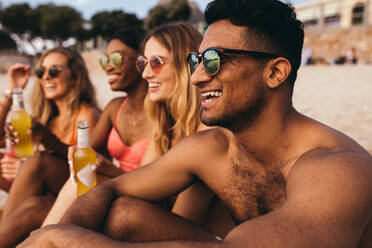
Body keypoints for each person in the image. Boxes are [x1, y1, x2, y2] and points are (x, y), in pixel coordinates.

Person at [19, 0, 372, 247]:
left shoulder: (339, 169)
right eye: (196, 60)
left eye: (215, 60)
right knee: (121, 214)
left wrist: (68, 241)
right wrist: (62, 234)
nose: (198, 76)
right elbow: (109, 189)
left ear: (276, 72)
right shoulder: (211, 149)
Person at [44, 22, 233, 237]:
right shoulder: (166, 124)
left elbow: (182, 218)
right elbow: (145, 186)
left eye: (157, 62)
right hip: (171, 225)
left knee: (121, 213)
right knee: (87, 183)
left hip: (209, 239)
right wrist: (106, 169)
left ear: (185, 65)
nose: (146, 74)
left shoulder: (207, 131)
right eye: (144, 63)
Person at [41, 27, 153, 226]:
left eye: (117, 59)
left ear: (142, 60)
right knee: (36, 204)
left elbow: (154, 185)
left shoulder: (161, 114)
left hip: (143, 202)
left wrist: (108, 169)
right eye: (105, 60)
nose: (108, 67)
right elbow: (86, 156)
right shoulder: (114, 108)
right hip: (117, 191)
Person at [0, 47, 100, 247]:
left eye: (54, 71)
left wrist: (32, 163)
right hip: (45, 197)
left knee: (39, 164)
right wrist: (11, 92)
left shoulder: (87, 114)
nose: (46, 77)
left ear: (75, 76)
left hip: (82, 196)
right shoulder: (47, 119)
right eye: (41, 72)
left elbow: (87, 165)